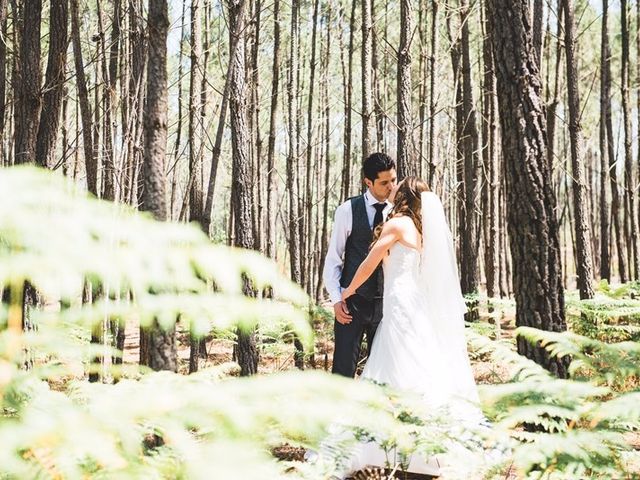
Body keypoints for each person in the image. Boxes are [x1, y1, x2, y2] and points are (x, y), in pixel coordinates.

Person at [339, 177, 482, 475]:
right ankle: (420, 446)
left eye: (396, 187)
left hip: (400, 302)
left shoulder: (398, 224)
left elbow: (370, 261)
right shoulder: (419, 229)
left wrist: (348, 289)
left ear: (403, 195)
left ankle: (395, 446)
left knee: (397, 364)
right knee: (413, 363)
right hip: (412, 302)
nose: (391, 189)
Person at [323, 153, 397, 378]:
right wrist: (336, 299)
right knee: (343, 371)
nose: (391, 186)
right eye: (384, 182)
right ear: (368, 182)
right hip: (352, 304)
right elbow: (333, 259)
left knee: (383, 375)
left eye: (393, 180)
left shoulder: (398, 212)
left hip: (387, 306)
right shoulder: (347, 210)